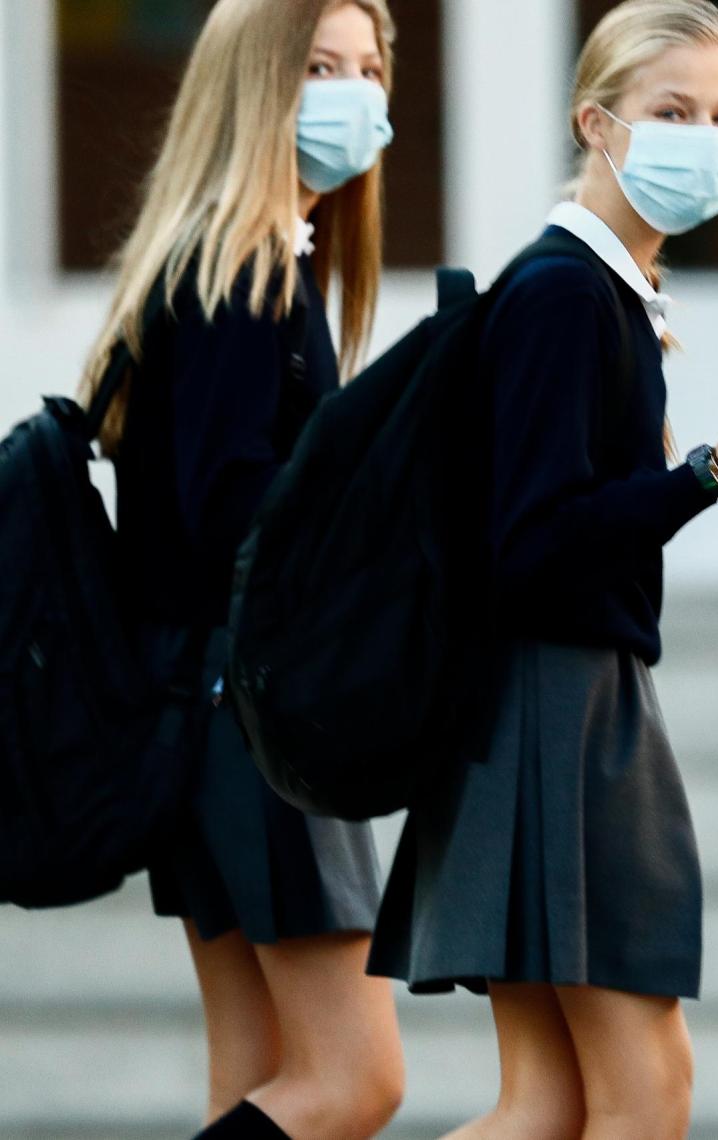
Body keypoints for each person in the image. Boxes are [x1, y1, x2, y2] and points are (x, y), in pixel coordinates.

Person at [367, 1, 718, 1137]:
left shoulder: (597, 290)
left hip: (546, 705)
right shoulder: (566, 294)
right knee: (644, 1094)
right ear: (596, 125)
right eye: (673, 111)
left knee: (549, 1106)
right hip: (560, 709)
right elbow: (535, 543)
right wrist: (706, 474)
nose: (704, 138)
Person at [78, 2, 404, 1137]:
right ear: (255, 85)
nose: (355, 92)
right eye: (320, 67)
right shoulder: (242, 269)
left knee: (257, 1076)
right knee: (355, 1081)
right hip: (246, 722)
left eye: (369, 67)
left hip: (208, 709)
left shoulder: (249, 259)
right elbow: (231, 512)